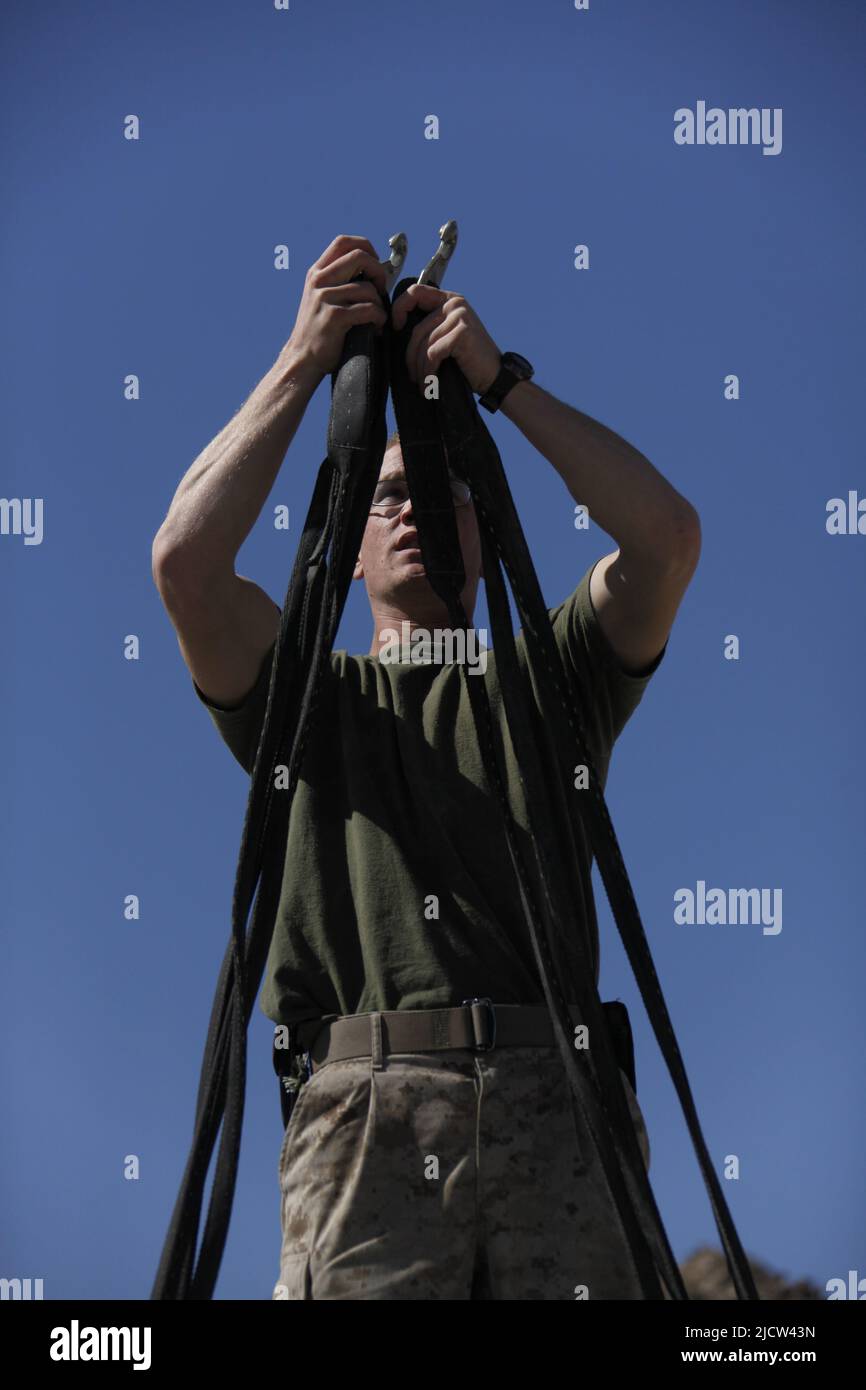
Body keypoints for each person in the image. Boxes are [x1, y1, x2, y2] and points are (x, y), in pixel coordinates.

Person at [151, 234, 701, 1300]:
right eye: (390, 492)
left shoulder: (548, 679)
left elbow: (665, 537)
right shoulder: (308, 698)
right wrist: (307, 360)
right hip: (368, 1110)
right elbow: (185, 563)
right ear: (350, 538)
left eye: (447, 492)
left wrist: (499, 383)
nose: (415, 510)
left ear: (484, 530)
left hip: (559, 1096)